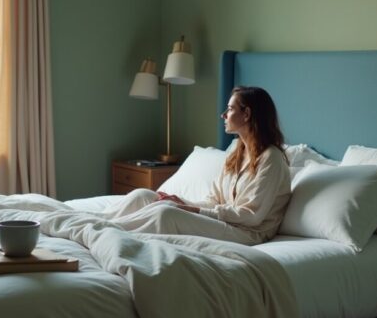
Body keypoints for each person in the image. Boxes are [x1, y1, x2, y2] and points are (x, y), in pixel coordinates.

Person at [102, 86, 292, 245]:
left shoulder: (271, 159)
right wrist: (181, 201)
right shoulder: (236, 154)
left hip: (246, 232)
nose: (223, 115)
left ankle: (108, 233)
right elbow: (214, 200)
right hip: (226, 222)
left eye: (230, 109)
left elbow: (251, 216)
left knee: (166, 214)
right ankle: (97, 223)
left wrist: (189, 210)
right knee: (143, 196)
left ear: (247, 114)